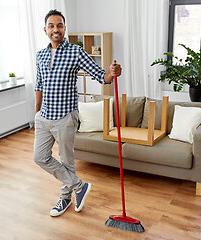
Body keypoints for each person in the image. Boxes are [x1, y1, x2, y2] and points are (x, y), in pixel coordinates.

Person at [34, 9, 122, 217]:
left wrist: (112, 72)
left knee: (67, 161)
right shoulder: (40, 55)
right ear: (45, 30)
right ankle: (79, 186)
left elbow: (101, 76)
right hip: (44, 116)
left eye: (60, 25)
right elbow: (38, 84)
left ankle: (65, 198)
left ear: (65, 28)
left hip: (65, 116)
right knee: (40, 157)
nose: (56, 29)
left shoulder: (75, 51)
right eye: (52, 26)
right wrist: (36, 113)